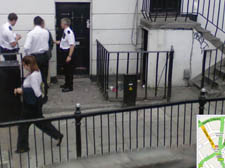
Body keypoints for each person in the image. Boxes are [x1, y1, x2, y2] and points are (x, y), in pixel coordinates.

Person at [14, 56, 63, 154]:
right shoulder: (36, 72)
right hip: (34, 104)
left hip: (31, 105)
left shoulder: (33, 76)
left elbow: (36, 92)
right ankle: (57, 135)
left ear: (29, 65)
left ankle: (23, 147)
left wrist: (22, 90)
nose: (24, 67)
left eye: (24, 65)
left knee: (23, 125)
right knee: (40, 122)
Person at [24, 16, 49, 103]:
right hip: (44, 56)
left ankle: (37, 95)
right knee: (44, 77)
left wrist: (28, 57)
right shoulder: (46, 32)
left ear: (34, 23)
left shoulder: (31, 33)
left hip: (34, 57)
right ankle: (44, 96)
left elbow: (26, 47)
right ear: (41, 22)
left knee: (35, 77)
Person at [55, 18, 75, 92]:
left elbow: (72, 45)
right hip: (63, 52)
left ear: (65, 24)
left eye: (61, 23)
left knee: (69, 71)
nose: (60, 24)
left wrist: (69, 56)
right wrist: (55, 42)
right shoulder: (65, 31)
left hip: (67, 52)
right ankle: (66, 83)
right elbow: (64, 42)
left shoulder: (69, 32)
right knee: (66, 70)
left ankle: (70, 87)